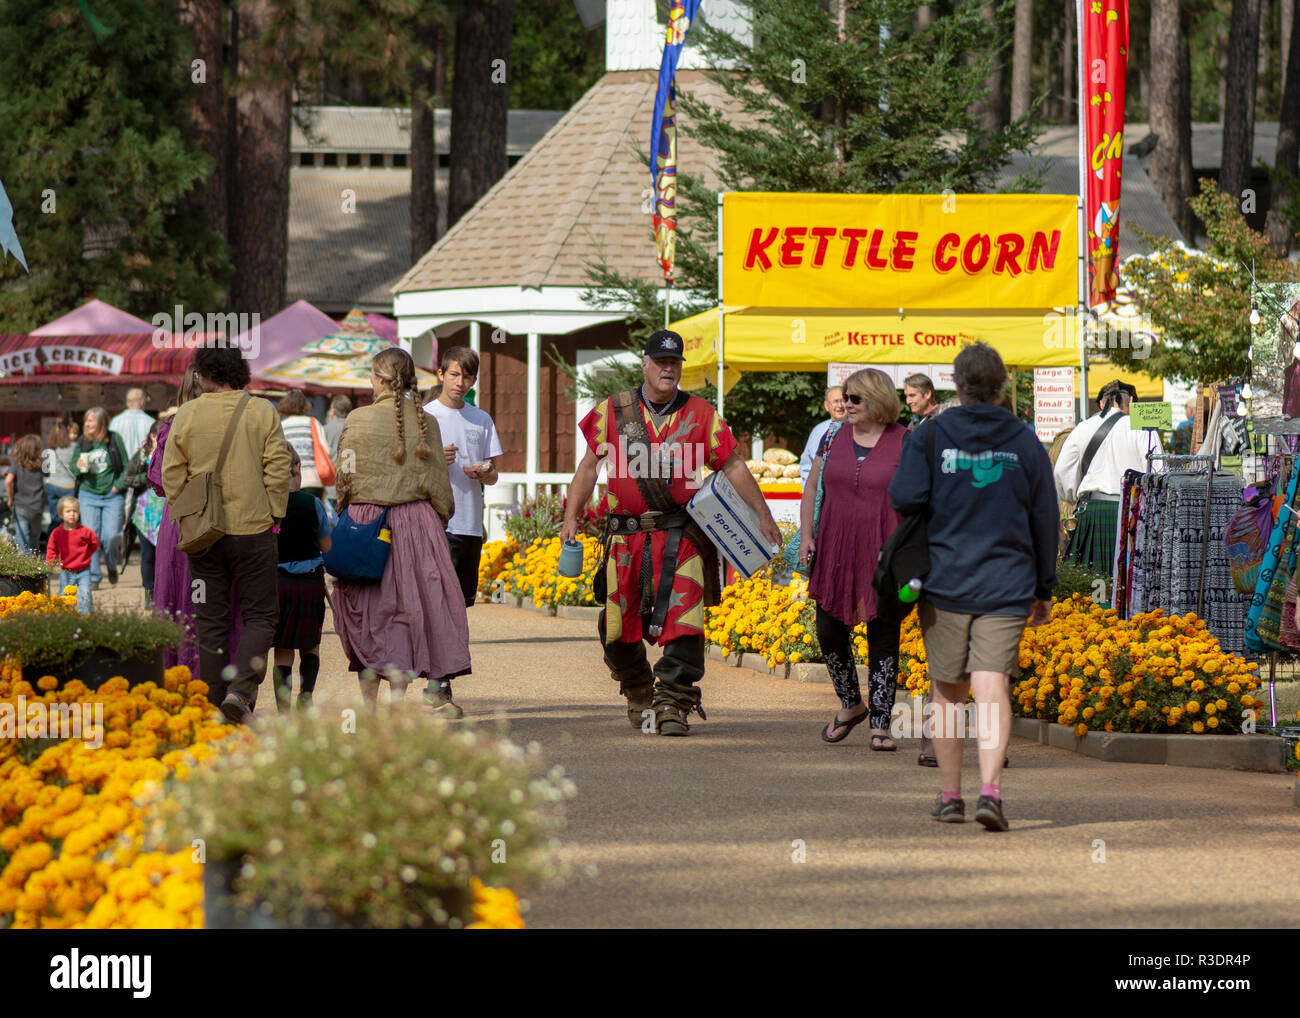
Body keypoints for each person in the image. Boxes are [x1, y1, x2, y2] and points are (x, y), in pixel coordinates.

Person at [560, 329, 783, 736]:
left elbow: (732, 466)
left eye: (675, 363)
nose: (668, 368)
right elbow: (589, 467)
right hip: (626, 540)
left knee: (685, 622)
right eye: (661, 362)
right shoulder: (613, 411)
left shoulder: (702, 414)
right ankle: (639, 687)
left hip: (682, 538)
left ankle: (674, 702)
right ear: (644, 364)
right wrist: (571, 514)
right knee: (615, 627)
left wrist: (763, 515)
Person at [890, 342, 1058, 831]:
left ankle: (949, 796)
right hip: (1007, 582)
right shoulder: (1025, 441)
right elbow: (1045, 517)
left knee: (947, 691)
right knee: (992, 686)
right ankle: (991, 790)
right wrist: (1044, 587)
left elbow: (903, 496)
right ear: (1002, 386)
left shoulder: (931, 435)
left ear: (956, 386)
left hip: (944, 580)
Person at [333, 347, 470, 713]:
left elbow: (344, 475)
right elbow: (440, 485)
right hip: (416, 525)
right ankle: (396, 706)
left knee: (368, 613)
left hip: (367, 522)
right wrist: (437, 521)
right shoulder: (428, 422)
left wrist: (346, 513)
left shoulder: (358, 419)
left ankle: (368, 707)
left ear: (378, 380)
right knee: (407, 614)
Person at [162, 343, 292, 723]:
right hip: (253, 529)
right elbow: (278, 467)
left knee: (210, 619)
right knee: (261, 616)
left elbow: (172, 474)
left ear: (205, 375)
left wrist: (189, 514)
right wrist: (274, 513)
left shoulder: (186, 414)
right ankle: (240, 691)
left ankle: (211, 702)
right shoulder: (262, 410)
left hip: (204, 536)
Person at [798, 369, 909, 750]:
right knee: (829, 630)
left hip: (885, 549)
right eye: (845, 397)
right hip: (835, 545)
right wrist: (807, 536)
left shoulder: (905, 441)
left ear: (877, 400)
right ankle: (851, 703)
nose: (846, 404)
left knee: (883, 632)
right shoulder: (831, 436)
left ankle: (880, 723)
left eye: (855, 399)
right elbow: (813, 486)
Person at [419, 346, 503, 705]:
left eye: (467, 376)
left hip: (469, 522)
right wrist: (435, 457)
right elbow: (408, 467)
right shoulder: (424, 416)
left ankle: (438, 678)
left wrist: (483, 471)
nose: (460, 382)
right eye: (454, 374)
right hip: (434, 520)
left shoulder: (481, 419)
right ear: (440, 375)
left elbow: (495, 474)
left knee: (459, 604)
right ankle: (438, 683)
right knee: (440, 603)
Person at [1053, 379, 1161, 575]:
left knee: (1090, 585)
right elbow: (1158, 474)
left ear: (1102, 403)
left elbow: (1061, 472)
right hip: (1133, 514)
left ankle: (1098, 604)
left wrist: (1072, 497)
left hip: (1093, 512)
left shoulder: (1083, 427)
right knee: (1131, 583)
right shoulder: (1144, 428)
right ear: (1132, 403)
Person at [271, 448, 334, 712]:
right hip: (309, 583)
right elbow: (327, 546)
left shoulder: (267, 504)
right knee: (311, 645)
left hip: (277, 582)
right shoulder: (313, 503)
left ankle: (283, 709)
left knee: (282, 648)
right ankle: (305, 697)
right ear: (297, 468)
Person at [74, 407, 128, 588]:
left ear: (101, 422)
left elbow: (126, 467)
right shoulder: (82, 441)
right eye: (86, 420)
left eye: (91, 420)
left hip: (112, 496)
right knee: (91, 537)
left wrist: (117, 486)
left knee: (111, 536)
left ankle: (112, 565)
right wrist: (77, 465)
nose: (87, 424)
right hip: (88, 494)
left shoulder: (114, 439)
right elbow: (73, 468)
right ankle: (95, 576)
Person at [127, 421, 164, 608]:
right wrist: (147, 477)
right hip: (145, 513)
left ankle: (163, 593)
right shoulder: (142, 455)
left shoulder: (172, 452)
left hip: (166, 512)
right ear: (152, 436)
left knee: (164, 556)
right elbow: (127, 478)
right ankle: (149, 592)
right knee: (148, 555)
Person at [46, 496, 98, 613]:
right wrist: (50, 565)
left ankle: (86, 616)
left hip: (83, 570)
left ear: (79, 513)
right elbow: (52, 550)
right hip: (66, 571)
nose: (72, 514)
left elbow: (94, 543)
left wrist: (86, 555)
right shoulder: (57, 533)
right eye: (68, 511)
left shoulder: (85, 532)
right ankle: (63, 616)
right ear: (60, 514)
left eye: (75, 511)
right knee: (64, 595)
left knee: (85, 593)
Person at [277, 390, 332, 500]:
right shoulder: (312, 422)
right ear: (304, 405)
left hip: (290, 481)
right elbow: (326, 449)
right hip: (313, 480)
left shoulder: (281, 426)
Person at [5, 435, 46, 554]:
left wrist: (10, 499)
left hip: (21, 505)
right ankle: (34, 566)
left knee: (22, 539)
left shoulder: (17, 465)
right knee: (34, 538)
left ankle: (24, 568)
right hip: (37, 507)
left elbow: (8, 481)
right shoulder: (40, 466)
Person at [798, 386, 847, 484]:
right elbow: (807, 467)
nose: (840, 405)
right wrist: (811, 494)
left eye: (843, 401)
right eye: (835, 401)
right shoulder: (818, 431)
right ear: (827, 406)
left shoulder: (859, 429)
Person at [42, 417, 79, 526]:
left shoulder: (50, 448)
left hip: (52, 485)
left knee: (55, 519)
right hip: (68, 486)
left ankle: (52, 540)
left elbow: (46, 469)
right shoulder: (74, 447)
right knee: (69, 521)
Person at [109, 388, 155, 462]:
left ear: (127, 403)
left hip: (122, 469)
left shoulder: (115, 422)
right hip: (143, 468)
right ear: (142, 402)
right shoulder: (151, 422)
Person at [323, 394, 352, 508]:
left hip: (329, 487)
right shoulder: (353, 428)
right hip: (348, 487)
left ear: (333, 411)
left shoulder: (325, 429)